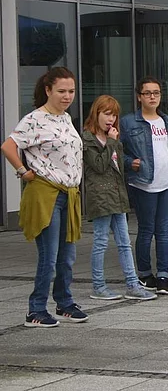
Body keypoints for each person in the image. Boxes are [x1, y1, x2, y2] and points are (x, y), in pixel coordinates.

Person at [0, 67, 88, 327]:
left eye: (71, 91)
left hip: (69, 194)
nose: (67, 96)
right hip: (47, 193)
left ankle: (64, 302)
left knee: (67, 255)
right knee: (49, 256)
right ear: (48, 90)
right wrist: (23, 171)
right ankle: (36, 309)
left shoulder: (66, 118)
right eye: (61, 91)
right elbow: (8, 145)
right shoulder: (34, 119)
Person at [82, 95, 158, 301]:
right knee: (101, 241)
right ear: (96, 114)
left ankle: (132, 284)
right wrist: (112, 142)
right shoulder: (88, 139)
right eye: (107, 114)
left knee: (124, 242)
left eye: (114, 115)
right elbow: (99, 165)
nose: (111, 119)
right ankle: (99, 286)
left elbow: (119, 166)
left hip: (117, 195)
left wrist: (114, 142)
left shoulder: (113, 138)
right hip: (100, 196)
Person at [119, 77, 168, 295]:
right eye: (147, 93)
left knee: (164, 230)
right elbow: (118, 151)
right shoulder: (128, 122)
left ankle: (163, 276)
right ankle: (145, 274)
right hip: (144, 183)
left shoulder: (165, 120)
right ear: (139, 97)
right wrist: (131, 162)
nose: (152, 97)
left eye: (156, 93)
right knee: (147, 229)